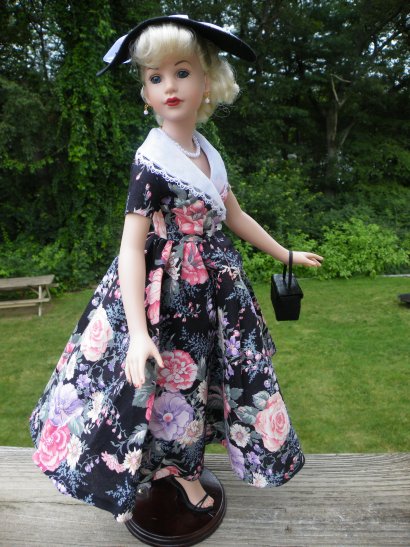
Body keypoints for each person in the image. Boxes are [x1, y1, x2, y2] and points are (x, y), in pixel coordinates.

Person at [29, 15, 323, 524]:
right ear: (145, 92)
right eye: (155, 77)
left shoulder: (206, 153)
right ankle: (179, 473)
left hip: (212, 290)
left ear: (207, 81)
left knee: (204, 376)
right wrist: (138, 333)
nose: (169, 86)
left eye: (182, 73)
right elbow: (131, 247)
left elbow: (233, 215)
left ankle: (184, 466)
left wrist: (285, 254)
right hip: (165, 295)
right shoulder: (151, 162)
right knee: (170, 384)